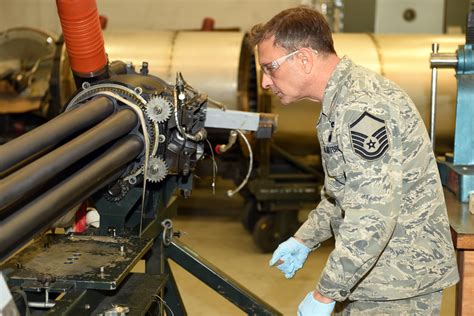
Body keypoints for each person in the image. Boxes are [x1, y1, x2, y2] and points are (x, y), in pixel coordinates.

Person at [248, 6, 459, 316]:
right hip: (377, 277)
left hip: (399, 284)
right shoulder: (342, 101)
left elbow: (373, 213)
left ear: (304, 59)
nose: (266, 81)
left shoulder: (360, 107)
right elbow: (344, 194)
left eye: (270, 67)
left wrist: (325, 293)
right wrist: (304, 238)